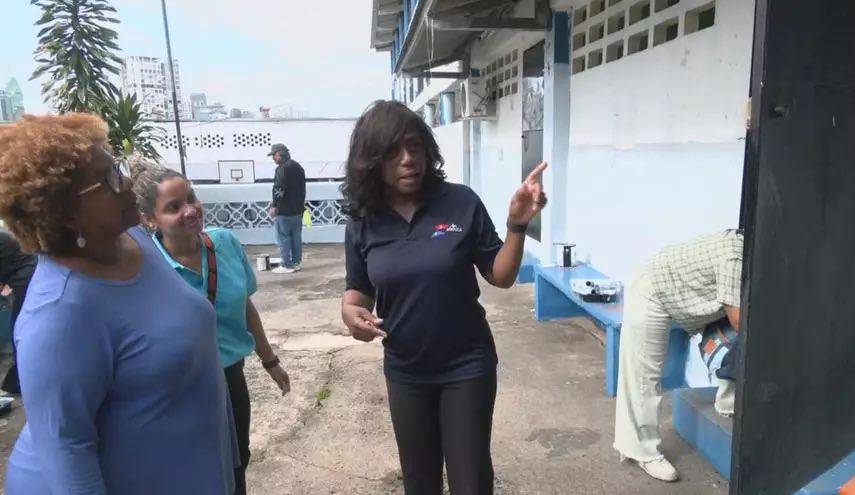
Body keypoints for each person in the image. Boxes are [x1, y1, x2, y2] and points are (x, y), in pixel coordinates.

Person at [0, 114, 237, 494]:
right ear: (66, 212)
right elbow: (66, 454)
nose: (126, 182)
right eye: (108, 178)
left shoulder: (131, 240)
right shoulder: (57, 316)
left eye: (118, 168)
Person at [340, 100, 548, 495]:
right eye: (393, 151)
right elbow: (358, 291)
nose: (408, 159)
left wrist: (517, 225)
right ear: (372, 161)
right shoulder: (363, 222)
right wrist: (351, 314)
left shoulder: (460, 202)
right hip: (406, 370)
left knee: (471, 483)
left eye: (414, 146)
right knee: (420, 482)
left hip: (466, 366)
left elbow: (500, 275)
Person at [133, 162, 292, 495]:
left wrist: (270, 361)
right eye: (174, 207)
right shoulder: (144, 266)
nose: (191, 210)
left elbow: (245, 306)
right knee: (194, 473)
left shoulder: (225, 243)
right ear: (150, 219)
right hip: (178, 388)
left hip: (231, 379)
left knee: (238, 463)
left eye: (191, 198)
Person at [614, 229, 744, 482]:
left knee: (734, 339)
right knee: (644, 376)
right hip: (652, 293)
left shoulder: (743, 248)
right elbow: (740, 321)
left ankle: (727, 403)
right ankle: (643, 452)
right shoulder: (735, 257)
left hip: (675, 293)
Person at [0, 229, 36, 394]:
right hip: (27, 275)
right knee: (20, 332)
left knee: (20, 334)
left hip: (26, 277)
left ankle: (21, 383)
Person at [268, 143, 306, 274]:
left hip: (284, 210)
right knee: (296, 237)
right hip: (298, 209)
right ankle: (296, 262)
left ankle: (286, 264)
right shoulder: (298, 167)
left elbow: (279, 188)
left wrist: (274, 205)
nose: (273, 158)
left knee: (283, 237)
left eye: (274, 155)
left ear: (280, 154)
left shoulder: (282, 168)